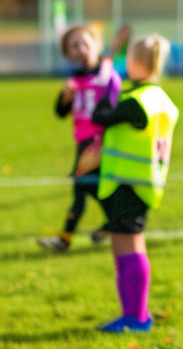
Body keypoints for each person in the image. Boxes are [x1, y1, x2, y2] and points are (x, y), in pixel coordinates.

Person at [92, 34, 179, 333]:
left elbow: (100, 117)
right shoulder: (157, 98)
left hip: (129, 183)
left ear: (134, 61)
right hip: (141, 182)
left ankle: (136, 316)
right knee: (126, 245)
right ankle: (133, 313)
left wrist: (108, 91)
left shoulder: (136, 101)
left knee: (128, 246)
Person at [39, 23, 122, 252]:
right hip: (83, 142)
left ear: (97, 45)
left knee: (83, 187)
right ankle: (114, 223)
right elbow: (60, 112)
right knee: (90, 188)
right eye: (74, 45)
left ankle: (65, 238)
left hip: (101, 142)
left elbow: (114, 109)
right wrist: (65, 98)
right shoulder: (74, 81)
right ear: (68, 53)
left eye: (85, 42)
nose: (80, 48)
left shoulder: (106, 77)